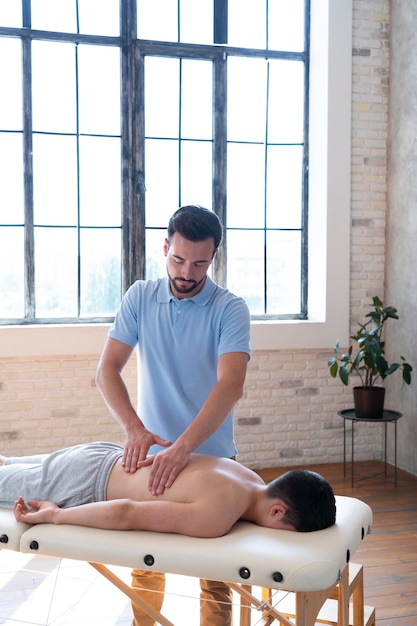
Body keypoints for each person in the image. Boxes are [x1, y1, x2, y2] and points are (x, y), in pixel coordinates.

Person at [95, 205, 252, 625]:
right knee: (146, 562)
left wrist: (184, 448)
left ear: (213, 257)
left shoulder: (230, 308)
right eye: (178, 259)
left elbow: (231, 385)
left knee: (216, 574)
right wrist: (134, 429)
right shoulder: (140, 296)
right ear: (165, 247)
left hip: (213, 458)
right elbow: (106, 370)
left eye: (199, 263)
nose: (186, 271)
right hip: (152, 459)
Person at [2, 442, 336, 535]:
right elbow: (126, 512)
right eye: (286, 530)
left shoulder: (245, 473)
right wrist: (57, 515)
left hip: (103, 453)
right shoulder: (218, 516)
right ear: (278, 510)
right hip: (87, 482)